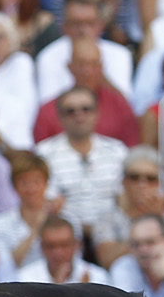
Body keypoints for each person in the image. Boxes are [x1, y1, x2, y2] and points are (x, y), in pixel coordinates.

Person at [31, 86, 127, 239]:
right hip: (66, 237)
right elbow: (49, 203)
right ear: (60, 117)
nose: (79, 116)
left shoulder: (117, 151)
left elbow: (124, 199)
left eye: (86, 109)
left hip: (112, 234)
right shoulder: (44, 153)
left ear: (97, 113)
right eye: (70, 111)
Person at [94, 146, 164, 266]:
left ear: (158, 184)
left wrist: (157, 220)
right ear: (124, 182)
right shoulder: (107, 217)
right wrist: (140, 220)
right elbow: (107, 260)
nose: (142, 184)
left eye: (150, 178)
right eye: (134, 177)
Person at [34, 0, 133, 104]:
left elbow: (125, 104)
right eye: (76, 24)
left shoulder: (120, 54)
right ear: (64, 27)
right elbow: (47, 103)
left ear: (101, 26)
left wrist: (95, 72)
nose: (83, 30)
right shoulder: (48, 56)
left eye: (89, 23)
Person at [17, 215, 109, 285]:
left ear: (76, 245)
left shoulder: (96, 276)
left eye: (64, 245)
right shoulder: (26, 279)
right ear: (41, 248)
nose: (58, 252)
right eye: (51, 246)